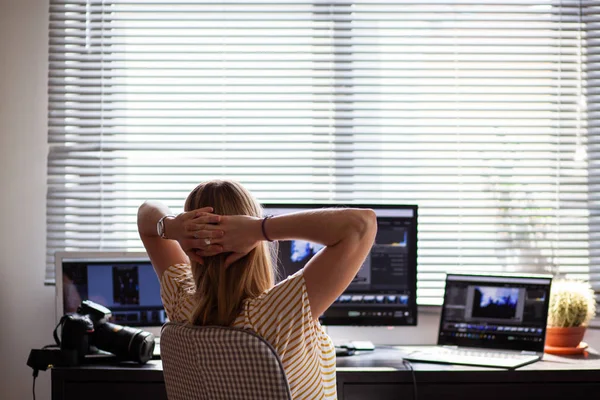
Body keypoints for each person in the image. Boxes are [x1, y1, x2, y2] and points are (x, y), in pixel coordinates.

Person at [137, 180, 377, 400]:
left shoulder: (180, 302)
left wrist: (171, 226)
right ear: (254, 245)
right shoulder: (280, 314)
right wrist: (260, 229)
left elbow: (146, 214)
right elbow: (361, 225)